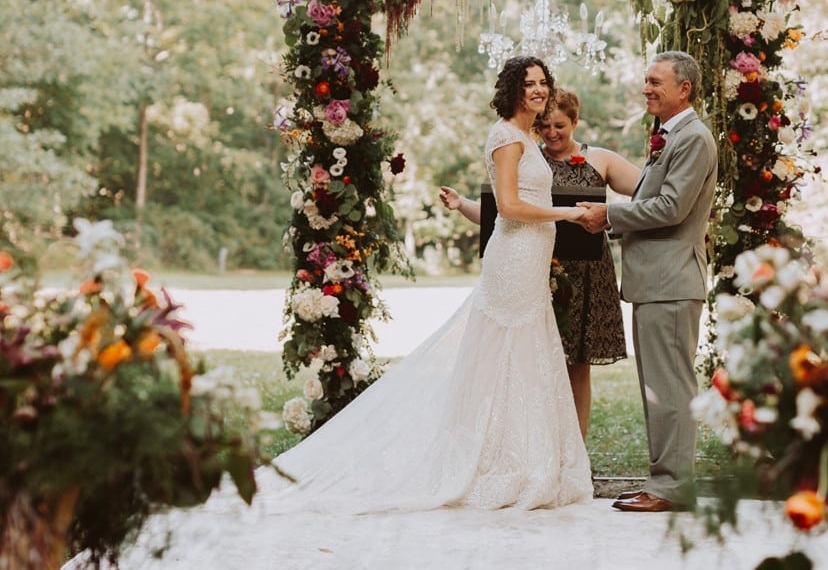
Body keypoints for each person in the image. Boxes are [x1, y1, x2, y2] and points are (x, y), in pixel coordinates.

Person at [67, 56, 593, 568]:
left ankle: (522, 461)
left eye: (543, 82)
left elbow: (513, 207)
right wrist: (570, 213)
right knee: (503, 350)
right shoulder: (505, 136)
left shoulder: (529, 138)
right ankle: (495, 465)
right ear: (511, 89)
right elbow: (509, 207)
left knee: (525, 354)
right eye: (528, 83)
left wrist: (542, 216)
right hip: (512, 260)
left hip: (528, 260)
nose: (538, 90)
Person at [439, 89, 640, 438]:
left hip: (588, 276)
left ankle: (575, 445)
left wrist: (617, 220)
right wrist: (461, 204)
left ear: (575, 122)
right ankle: (537, 441)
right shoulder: (526, 159)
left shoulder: (601, 159)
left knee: (578, 366)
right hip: (540, 273)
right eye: (544, 125)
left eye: (560, 125)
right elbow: (498, 214)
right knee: (537, 362)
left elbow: (648, 192)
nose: (551, 132)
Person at [579, 51, 718, 513]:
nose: (647, 88)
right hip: (658, 283)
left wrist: (609, 214)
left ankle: (672, 487)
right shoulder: (669, 136)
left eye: (657, 82)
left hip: (673, 281)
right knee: (659, 389)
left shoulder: (694, 138)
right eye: (646, 81)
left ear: (685, 89)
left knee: (671, 389)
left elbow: (672, 207)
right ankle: (662, 482)